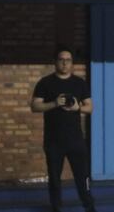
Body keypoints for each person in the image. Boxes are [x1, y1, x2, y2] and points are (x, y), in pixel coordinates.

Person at [31, 47, 96, 212]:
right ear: (55, 62)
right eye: (61, 59)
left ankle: (89, 206)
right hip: (53, 141)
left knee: (82, 176)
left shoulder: (79, 83)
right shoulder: (45, 83)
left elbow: (90, 107)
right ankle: (56, 207)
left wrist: (77, 107)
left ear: (72, 63)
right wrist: (54, 103)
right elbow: (35, 106)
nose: (65, 63)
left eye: (68, 60)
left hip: (76, 140)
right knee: (54, 178)